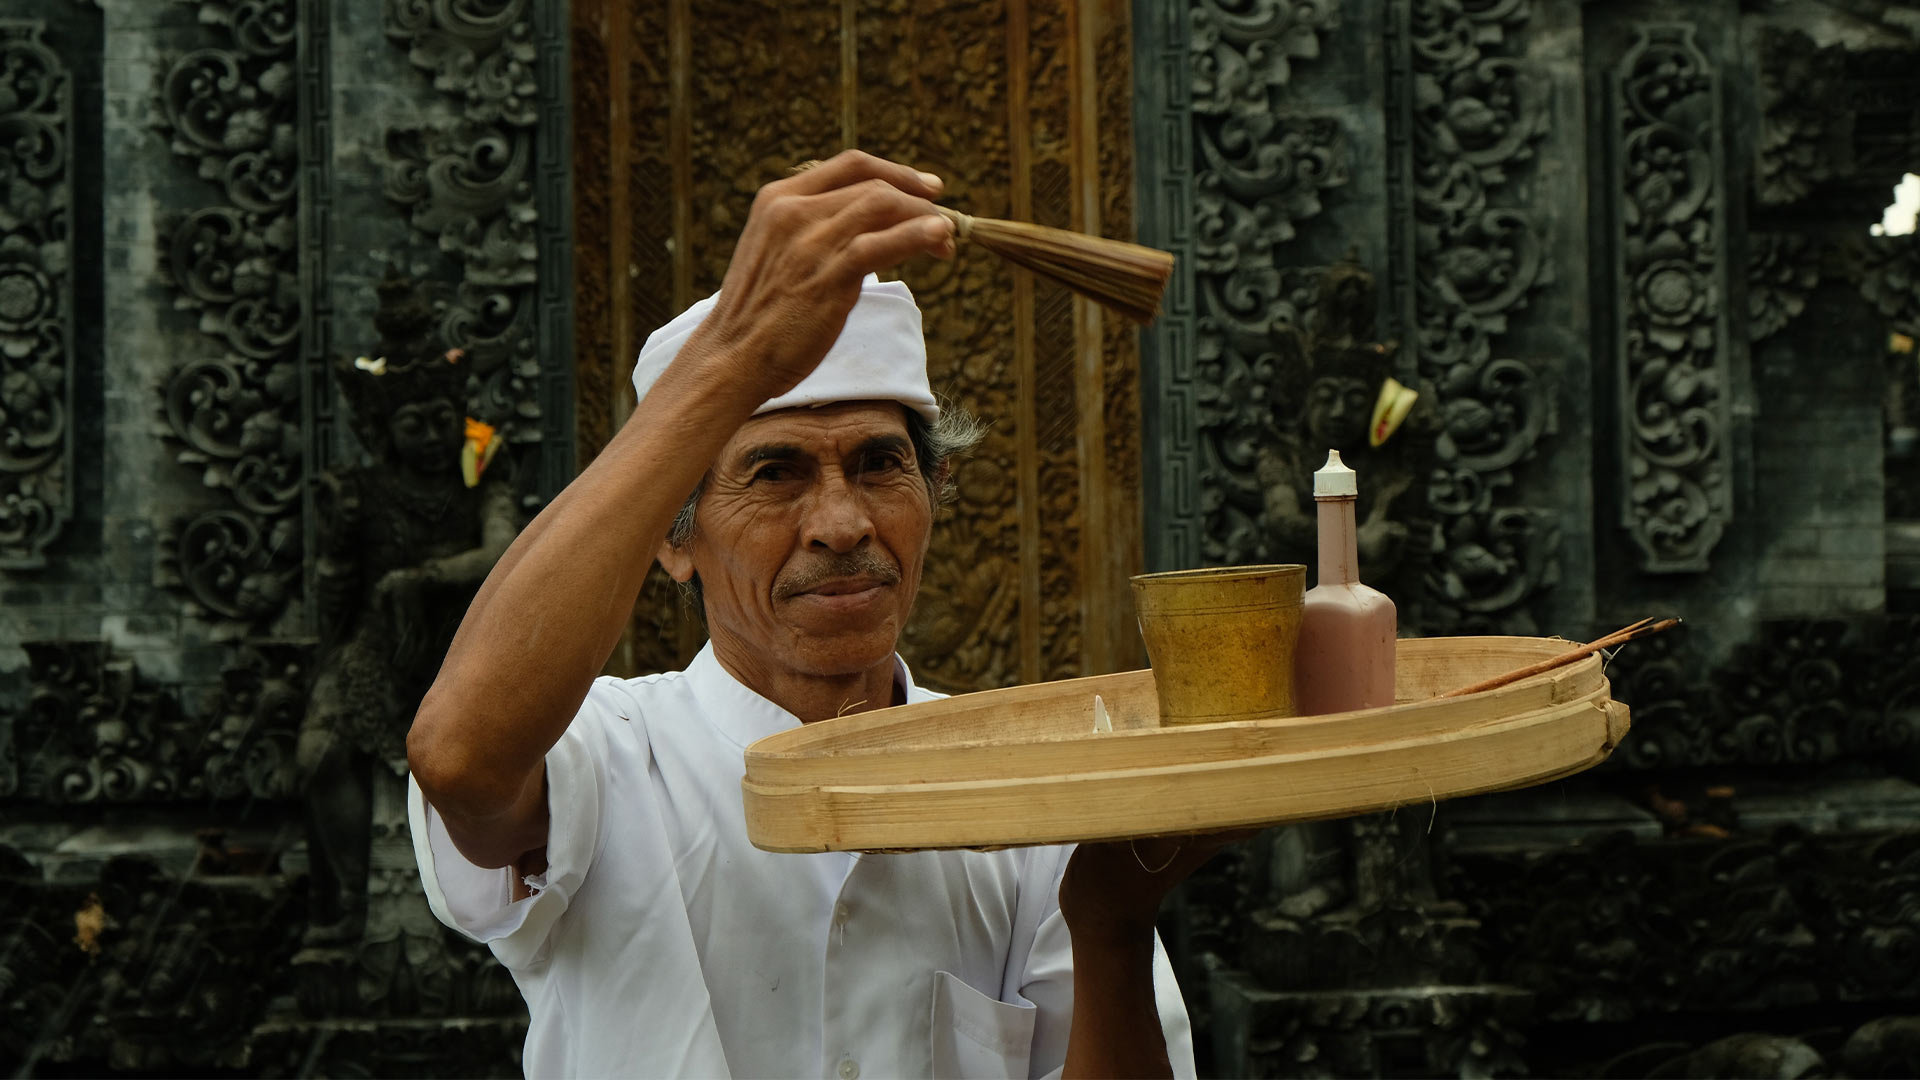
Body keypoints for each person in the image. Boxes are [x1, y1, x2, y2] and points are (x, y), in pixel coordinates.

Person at [405, 150, 1226, 1078]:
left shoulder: (1025, 791)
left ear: (934, 491)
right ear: (672, 540)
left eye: (880, 464)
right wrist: (739, 354)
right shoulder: (605, 755)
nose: (842, 524)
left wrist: (1112, 921)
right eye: (774, 472)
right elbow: (459, 763)